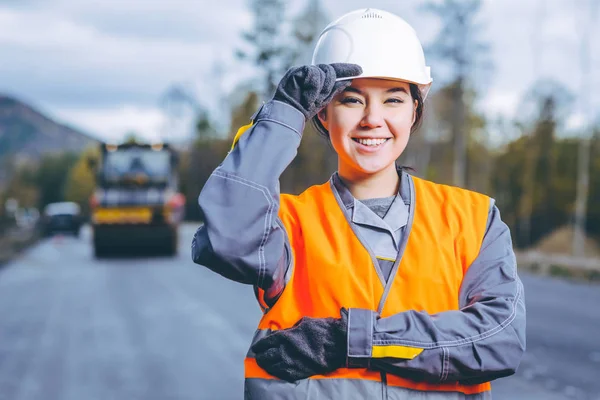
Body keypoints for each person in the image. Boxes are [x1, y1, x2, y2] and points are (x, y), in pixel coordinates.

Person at [192, 8, 525, 400]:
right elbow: (227, 239)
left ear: (415, 109)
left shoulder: (473, 220)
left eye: (394, 99)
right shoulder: (288, 224)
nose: (372, 119)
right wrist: (282, 116)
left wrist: (350, 340)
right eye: (351, 100)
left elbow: (498, 339)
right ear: (322, 112)